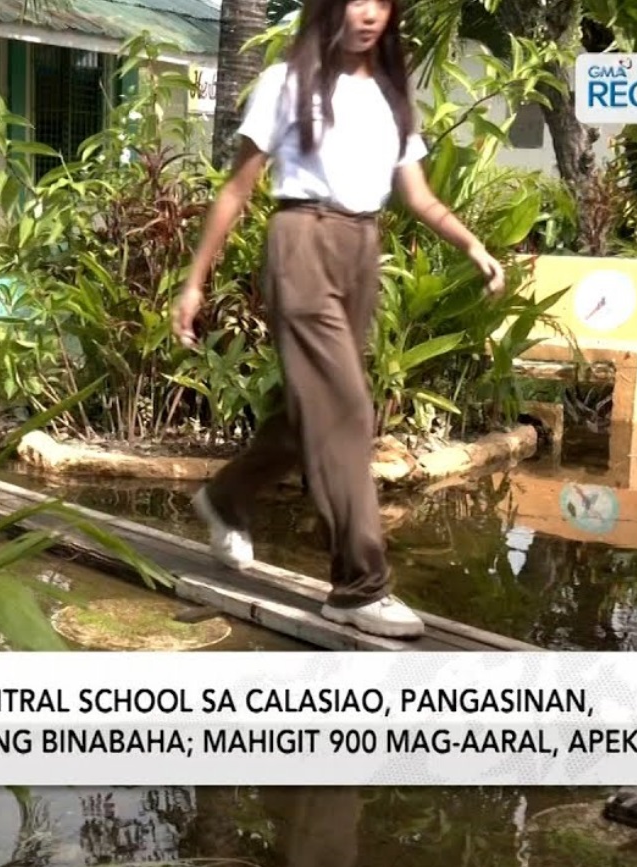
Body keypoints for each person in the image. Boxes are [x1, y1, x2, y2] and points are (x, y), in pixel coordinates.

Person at [172, 0, 506, 640]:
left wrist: (474, 246)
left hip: (360, 249)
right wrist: (194, 283)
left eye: (381, 2)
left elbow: (420, 196)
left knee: (310, 413)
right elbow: (237, 188)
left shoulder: (387, 96)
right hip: (302, 239)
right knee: (348, 409)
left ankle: (226, 496)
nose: (369, 13)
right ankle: (358, 586)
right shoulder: (286, 82)